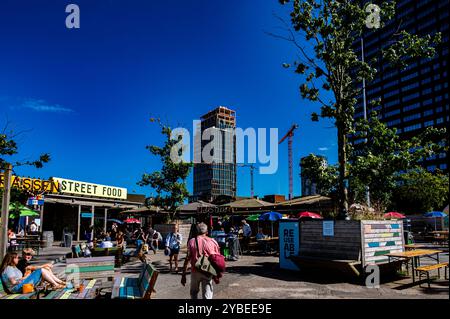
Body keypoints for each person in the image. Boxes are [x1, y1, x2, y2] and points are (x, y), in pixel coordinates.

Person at [181, 222, 220, 299]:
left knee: (194, 293)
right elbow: (217, 259)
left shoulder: (191, 241)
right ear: (207, 232)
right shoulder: (213, 242)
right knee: (207, 295)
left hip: (195, 271)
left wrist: (183, 275)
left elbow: (187, 258)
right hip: (208, 270)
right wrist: (217, 273)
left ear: (197, 231)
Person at [1, 252, 65, 293]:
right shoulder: (9, 269)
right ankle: (56, 284)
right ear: (12, 259)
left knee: (43, 270)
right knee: (41, 270)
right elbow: (13, 282)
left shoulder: (13, 267)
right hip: (16, 288)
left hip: (20, 285)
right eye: (17, 258)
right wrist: (24, 279)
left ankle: (57, 283)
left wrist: (26, 277)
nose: (18, 259)